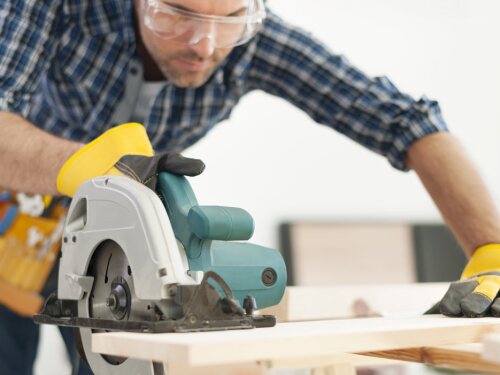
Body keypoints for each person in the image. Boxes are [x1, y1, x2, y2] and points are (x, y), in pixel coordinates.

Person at [0, 0, 499, 373]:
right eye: (177, 14)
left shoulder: (252, 40)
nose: (205, 45)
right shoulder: (55, 6)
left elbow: (405, 122)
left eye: (230, 19)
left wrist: (490, 248)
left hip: (115, 256)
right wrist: (84, 164)